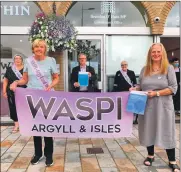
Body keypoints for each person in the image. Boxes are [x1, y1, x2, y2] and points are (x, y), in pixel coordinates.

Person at [130, 43, 180, 172]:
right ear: (150, 54)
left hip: (163, 106)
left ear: (162, 53)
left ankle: (172, 160)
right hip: (147, 106)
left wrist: (157, 93)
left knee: (167, 130)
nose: (156, 54)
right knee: (148, 129)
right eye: (153, 52)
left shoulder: (168, 68)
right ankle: (150, 155)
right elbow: (140, 85)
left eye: (158, 52)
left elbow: (173, 88)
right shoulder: (144, 69)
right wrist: (134, 89)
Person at [10, 39, 59, 167]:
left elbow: (56, 78)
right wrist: (16, 82)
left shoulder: (51, 61)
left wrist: (50, 85)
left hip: (47, 98)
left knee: (47, 127)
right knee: (36, 126)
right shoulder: (28, 61)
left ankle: (48, 155)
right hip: (32, 98)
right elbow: (24, 80)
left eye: (41, 47)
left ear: (45, 48)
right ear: (33, 49)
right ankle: (38, 154)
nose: (39, 49)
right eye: (36, 46)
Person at [3, 54, 26, 133]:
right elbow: (6, 80)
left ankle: (24, 124)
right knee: (13, 108)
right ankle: (16, 124)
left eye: (19, 58)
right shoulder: (9, 69)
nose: (17, 60)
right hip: (11, 92)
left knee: (23, 108)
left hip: (23, 91)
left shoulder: (26, 69)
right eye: (16, 58)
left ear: (22, 60)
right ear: (14, 60)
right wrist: (4, 91)